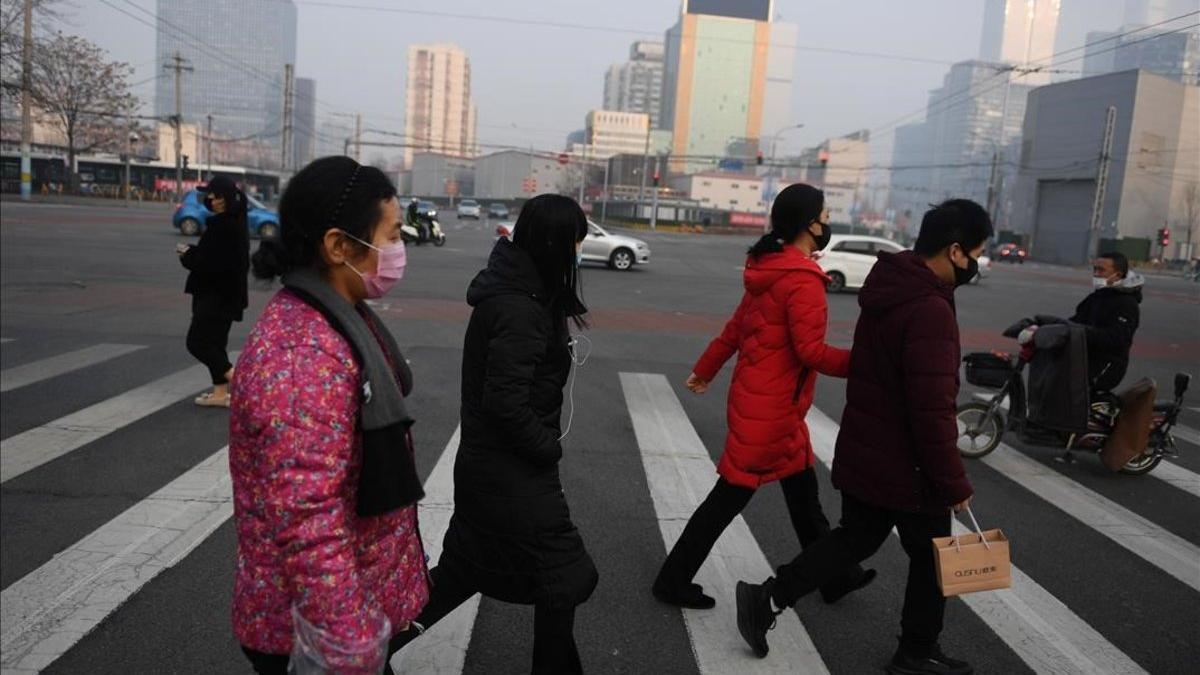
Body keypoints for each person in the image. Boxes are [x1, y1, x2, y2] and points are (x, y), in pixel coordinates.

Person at [735, 199, 992, 675]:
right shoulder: (929, 308)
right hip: (909, 465)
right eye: (976, 252)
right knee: (933, 558)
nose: (977, 262)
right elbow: (932, 409)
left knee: (856, 538)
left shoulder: (893, 286)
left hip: (869, 450)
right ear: (955, 251)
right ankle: (917, 651)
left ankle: (769, 596)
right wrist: (954, 483)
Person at [230, 156, 428, 675]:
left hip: (344, 606)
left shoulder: (337, 316)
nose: (397, 250)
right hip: (312, 630)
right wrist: (349, 641)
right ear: (339, 246)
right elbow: (307, 517)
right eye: (389, 235)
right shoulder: (302, 354)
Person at [394, 194, 598, 674]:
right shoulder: (519, 309)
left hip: (492, 469)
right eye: (573, 242)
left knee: (464, 572)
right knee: (561, 574)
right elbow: (505, 404)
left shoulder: (522, 294)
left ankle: (364, 655)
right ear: (553, 243)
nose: (576, 253)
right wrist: (547, 447)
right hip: (513, 475)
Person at [652, 184, 875, 611]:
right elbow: (811, 352)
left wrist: (705, 370)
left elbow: (736, 329)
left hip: (766, 403)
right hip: (771, 412)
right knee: (727, 499)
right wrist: (866, 362)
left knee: (804, 496)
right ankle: (672, 580)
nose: (827, 223)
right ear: (809, 224)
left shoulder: (770, 268)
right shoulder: (802, 281)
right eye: (824, 215)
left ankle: (834, 576)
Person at [177, 175, 249, 407]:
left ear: (225, 198)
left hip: (215, 295)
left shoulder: (223, 226)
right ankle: (220, 394)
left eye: (214, 195)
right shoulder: (234, 222)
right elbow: (218, 258)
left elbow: (210, 264)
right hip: (226, 295)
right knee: (216, 345)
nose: (210, 199)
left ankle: (242, 385)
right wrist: (195, 252)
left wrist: (187, 255)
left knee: (198, 343)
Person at [1071, 251, 1142, 393]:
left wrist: (1082, 331)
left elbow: (1117, 338)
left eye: (1101, 270)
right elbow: (1075, 321)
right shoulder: (1095, 298)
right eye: (1095, 269)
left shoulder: (1127, 304)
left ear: (1118, 275)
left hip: (1106, 365)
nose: (1096, 274)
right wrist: (1044, 323)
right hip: (1084, 359)